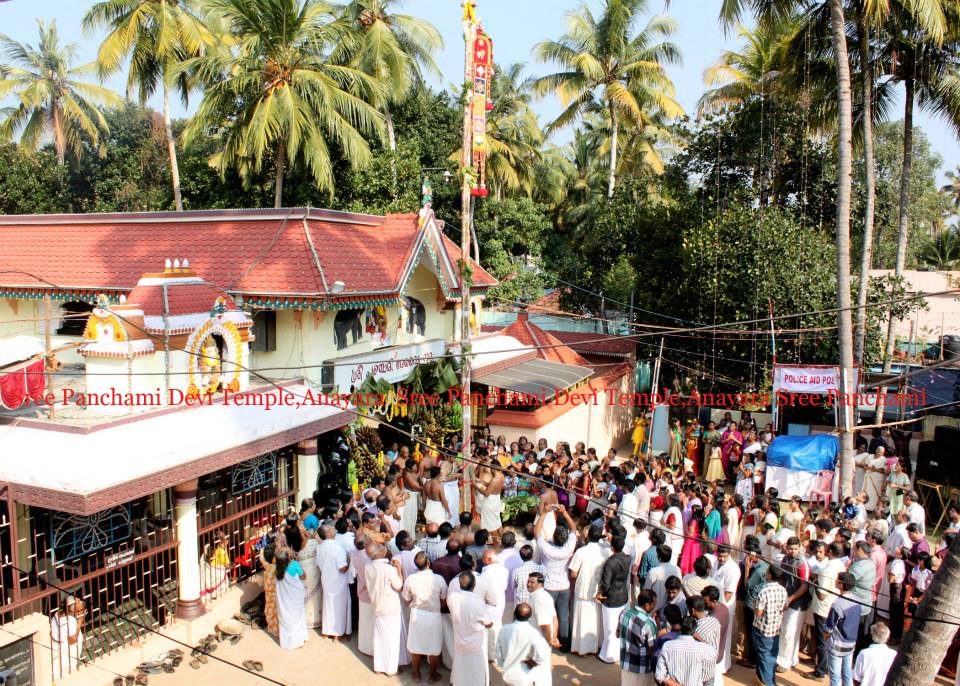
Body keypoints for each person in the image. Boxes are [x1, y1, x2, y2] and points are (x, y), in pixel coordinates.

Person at [536, 504, 578, 651]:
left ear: (554, 537)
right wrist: (564, 512)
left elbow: (537, 533)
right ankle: (564, 644)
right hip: (564, 586)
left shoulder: (548, 549)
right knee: (564, 615)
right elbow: (573, 529)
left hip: (549, 587)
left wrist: (543, 514)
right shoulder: (569, 547)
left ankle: (549, 641)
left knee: (548, 615)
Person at [403, 551, 447, 683]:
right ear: (428, 563)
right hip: (434, 616)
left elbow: (406, 599)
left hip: (417, 615)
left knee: (415, 646)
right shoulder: (439, 579)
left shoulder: (411, 579)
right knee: (434, 648)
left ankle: (416, 673)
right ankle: (432, 675)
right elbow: (444, 599)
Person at [568, 524, 610, 655]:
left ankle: (581, 648)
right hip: (598, 590)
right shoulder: (606, 552)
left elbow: (573, 573)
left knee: (581, 619)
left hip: (582, 589)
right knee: (596, 619)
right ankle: (596, 646)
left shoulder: (581, 552)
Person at [448, 571, 494, 686]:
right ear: (474, 586)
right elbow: (488, 623)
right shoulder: (478, 603)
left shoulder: (452, 597)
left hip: (459, 643)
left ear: (459, 584)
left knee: (460, 671)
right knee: (475, 674)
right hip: (475, 646)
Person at [365, 544, 405, 676]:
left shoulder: (368, 567)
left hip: (377, 605)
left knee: (379, 637)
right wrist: (399, 570)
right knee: (392, 639)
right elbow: (399, 586)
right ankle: (391, 669)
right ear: (378, 554)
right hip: (390, 608)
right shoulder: (388, 570)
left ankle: (379, 666)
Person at [495, 603, 553, 686]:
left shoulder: (504, 629)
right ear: (530, 616)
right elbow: (543, 654)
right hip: (524, 675)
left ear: (514, 614)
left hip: (508, 674)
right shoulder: (533, 632)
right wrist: (533, 663)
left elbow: (498, 651)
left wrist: (502, 664)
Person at [776, 536, 810, 674]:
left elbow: (805, 586)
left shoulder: (802, 563)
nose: (793, 551)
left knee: (789, 632)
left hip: (798, 602)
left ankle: (784, 661)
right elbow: (784, 579)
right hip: (788, 599)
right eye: (790, 548)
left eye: (795, 549)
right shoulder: (785, 559)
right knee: (788, 631)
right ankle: (792, 658)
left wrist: (791, 598)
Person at [655, 615, 717, 686]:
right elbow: (715, 654)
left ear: (680, 628)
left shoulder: (667, 646)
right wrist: (699, 638)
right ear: (694, 630)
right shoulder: (701, 648)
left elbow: (659, 675)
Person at [752, 565, 788, 686]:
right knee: (771, 656)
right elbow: (784, 607)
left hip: (762, 629)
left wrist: (754, 606)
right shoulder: (783, 590)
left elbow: (759, 612)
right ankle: (763, 678)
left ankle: (767, 682)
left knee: (764, 656)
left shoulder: (764, 591)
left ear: (770, 576)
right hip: (775, 629)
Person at [598, 535, 632, 664]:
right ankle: (617, 652)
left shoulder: (610, 562)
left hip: (611, 598)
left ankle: (608, 655)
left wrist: (602, 594)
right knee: (618, 626)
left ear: (612, 547)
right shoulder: (627, 558)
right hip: (622, 595)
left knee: (610, 628)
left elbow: (606, 584)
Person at [315, 524, 352, 640]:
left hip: (326, 578)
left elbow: (318, 564)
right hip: (338, 580)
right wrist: (350, 562)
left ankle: (327, 631)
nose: (334, 529)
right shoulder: (337, 547)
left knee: (328, 605)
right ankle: (337, 633)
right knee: (339, 606)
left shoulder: (320, 547)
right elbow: (342, 568)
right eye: (331, 528)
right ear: (328, 534)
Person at [824, 572, 860, 686]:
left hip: (837, 645)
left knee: (835, 676)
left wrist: (826, 640)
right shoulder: (857, 601)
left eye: (837, 579)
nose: (835, 580)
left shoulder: (837, 604)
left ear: (841, 584)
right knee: (847, 673)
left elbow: (828, 628)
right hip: (851, 643)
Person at [276, 547, 308, 650]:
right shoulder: (294, 564)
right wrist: (300, 565)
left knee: (286, 616)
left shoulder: (277, 568)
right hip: (295, 596)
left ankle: (286, 642)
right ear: (288, 557)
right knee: (297, 616)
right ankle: (297, 641)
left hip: (283, 599)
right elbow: (303, 577)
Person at [51, 596, 83, 676]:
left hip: (56, 652)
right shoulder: (70, 621)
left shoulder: (57, 614)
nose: (81, 607)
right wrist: (80, 620)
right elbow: (72, 640)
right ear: (73, 609)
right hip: (65, 658)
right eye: (79, 606)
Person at [527, 572, 560, 648]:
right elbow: (554, 618)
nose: (528, 584)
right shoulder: (545, 595)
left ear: (540, 584)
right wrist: (553, 638)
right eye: (528, 582)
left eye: (532, 582)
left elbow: (545, 625)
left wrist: (549, 641)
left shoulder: (539, 599)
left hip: (539, 642)